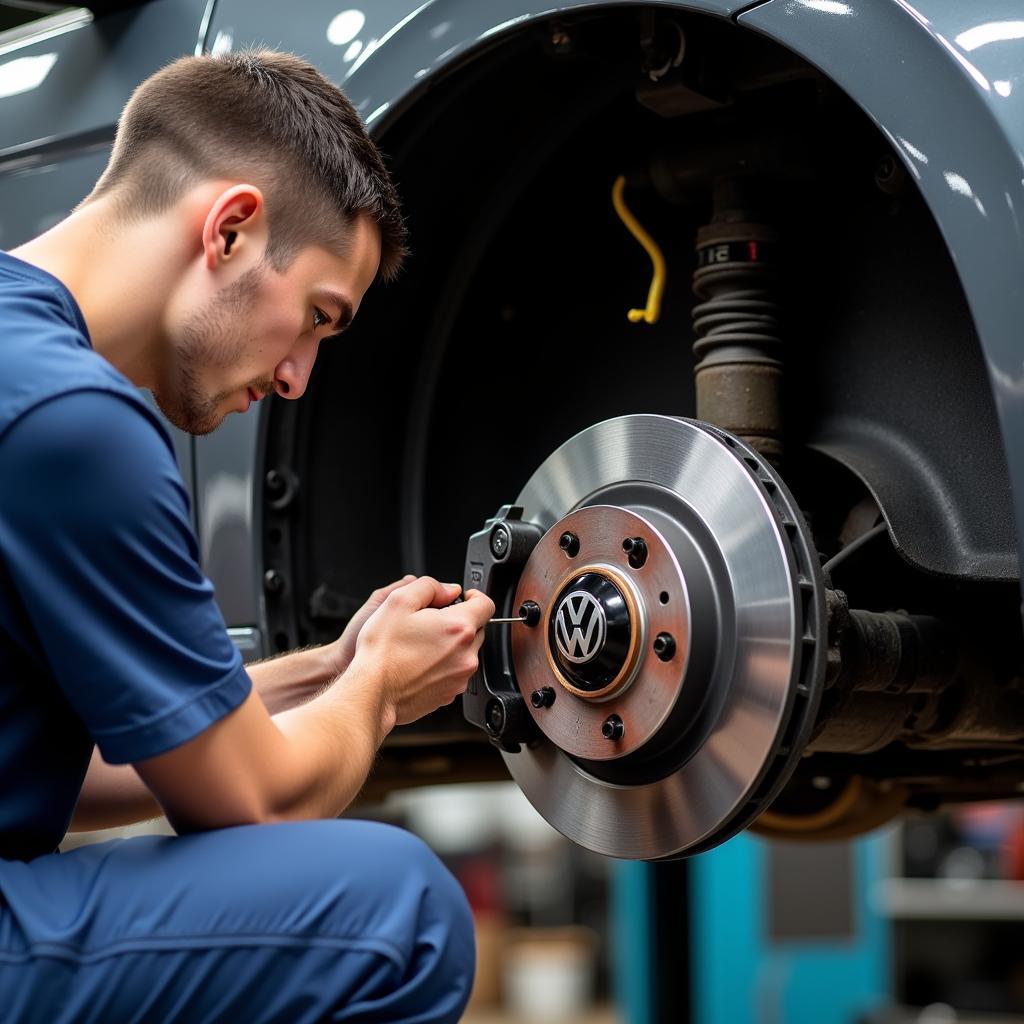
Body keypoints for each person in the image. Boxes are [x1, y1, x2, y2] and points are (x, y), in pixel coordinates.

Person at [0, 48, 495, 1023]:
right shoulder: (74, 423)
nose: (299, 377)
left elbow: (97, 760)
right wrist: (379, 689)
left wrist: (327, 669)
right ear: (229, 228)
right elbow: (251, 806)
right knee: (394, 912)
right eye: (315, 317)